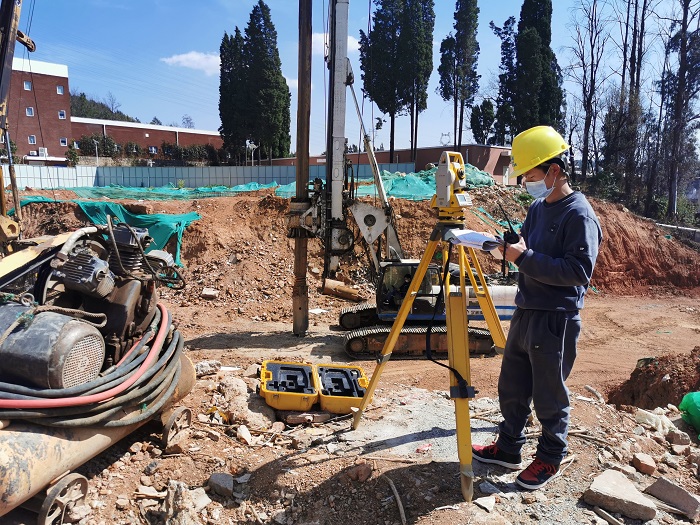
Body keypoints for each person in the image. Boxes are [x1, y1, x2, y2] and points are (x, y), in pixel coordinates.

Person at [471, 125, 603, 490]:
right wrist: (510, 246)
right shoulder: (538, 208)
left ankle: (549, 457)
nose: (526, 182)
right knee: (512, 386)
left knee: (548, 394)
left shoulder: (579, 215)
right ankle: (508, 447)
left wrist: (524, 257)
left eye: (530, 175)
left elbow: (578, 271)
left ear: (554, 170)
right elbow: (528, 248)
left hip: (555, 318)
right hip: (526, 309)